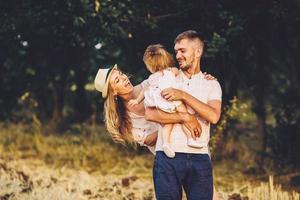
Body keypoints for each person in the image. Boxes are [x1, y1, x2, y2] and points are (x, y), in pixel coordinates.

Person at [144, 30, 222, 200]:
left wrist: (183, 95)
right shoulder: (167, 78)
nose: (178, 55)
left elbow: (214, 116)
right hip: (167, 158)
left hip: (200, 158)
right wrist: (185, 117)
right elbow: (150, 113)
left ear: (198, 52)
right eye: (176, 51)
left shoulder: (211, 84)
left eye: (183, 50)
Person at [128, 44, 205, 158]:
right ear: (166, 58)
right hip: (175, 101)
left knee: (168, 124)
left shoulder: (152, 77)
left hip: (163, 104)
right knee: (185, 116)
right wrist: (202, 77)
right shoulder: (172, 70)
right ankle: (191, 138)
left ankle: (166, 143)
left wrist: (137, 101)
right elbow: (187, 76)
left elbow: (144, 90)